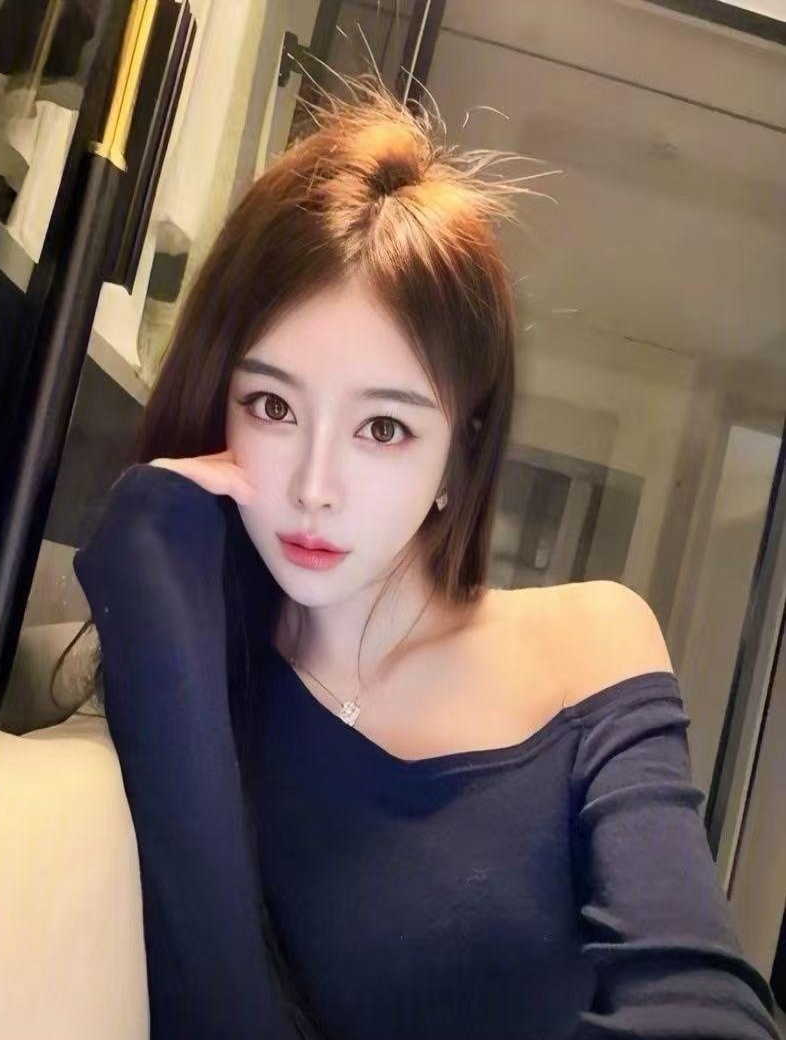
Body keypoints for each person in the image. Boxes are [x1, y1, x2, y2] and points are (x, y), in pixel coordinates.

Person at [67, 80, 782, 1039]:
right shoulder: (204, 673)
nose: (316, 486)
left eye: (383, 428)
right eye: (274, 407)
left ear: (459, 454)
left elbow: (704, 1009)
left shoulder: (591, 643)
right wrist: (150, 548)